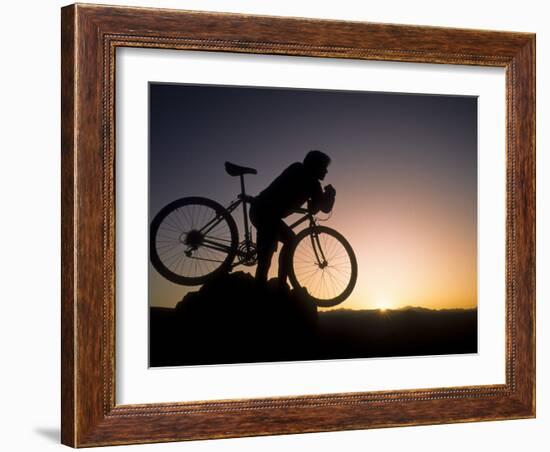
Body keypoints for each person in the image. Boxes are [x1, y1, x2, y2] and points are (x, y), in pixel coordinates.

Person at [250, 150, 336, 288]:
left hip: (261, 210)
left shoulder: (298, 169)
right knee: (275, 246)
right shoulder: (310, 180)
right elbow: (321, 208)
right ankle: (273, 286)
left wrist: (326, 196)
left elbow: (314, 208)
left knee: (285, 242)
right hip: (265, 212)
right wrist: (331, 195)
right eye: (324, 167)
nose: (326, 171)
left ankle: (278, 284)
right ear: (316, 165)